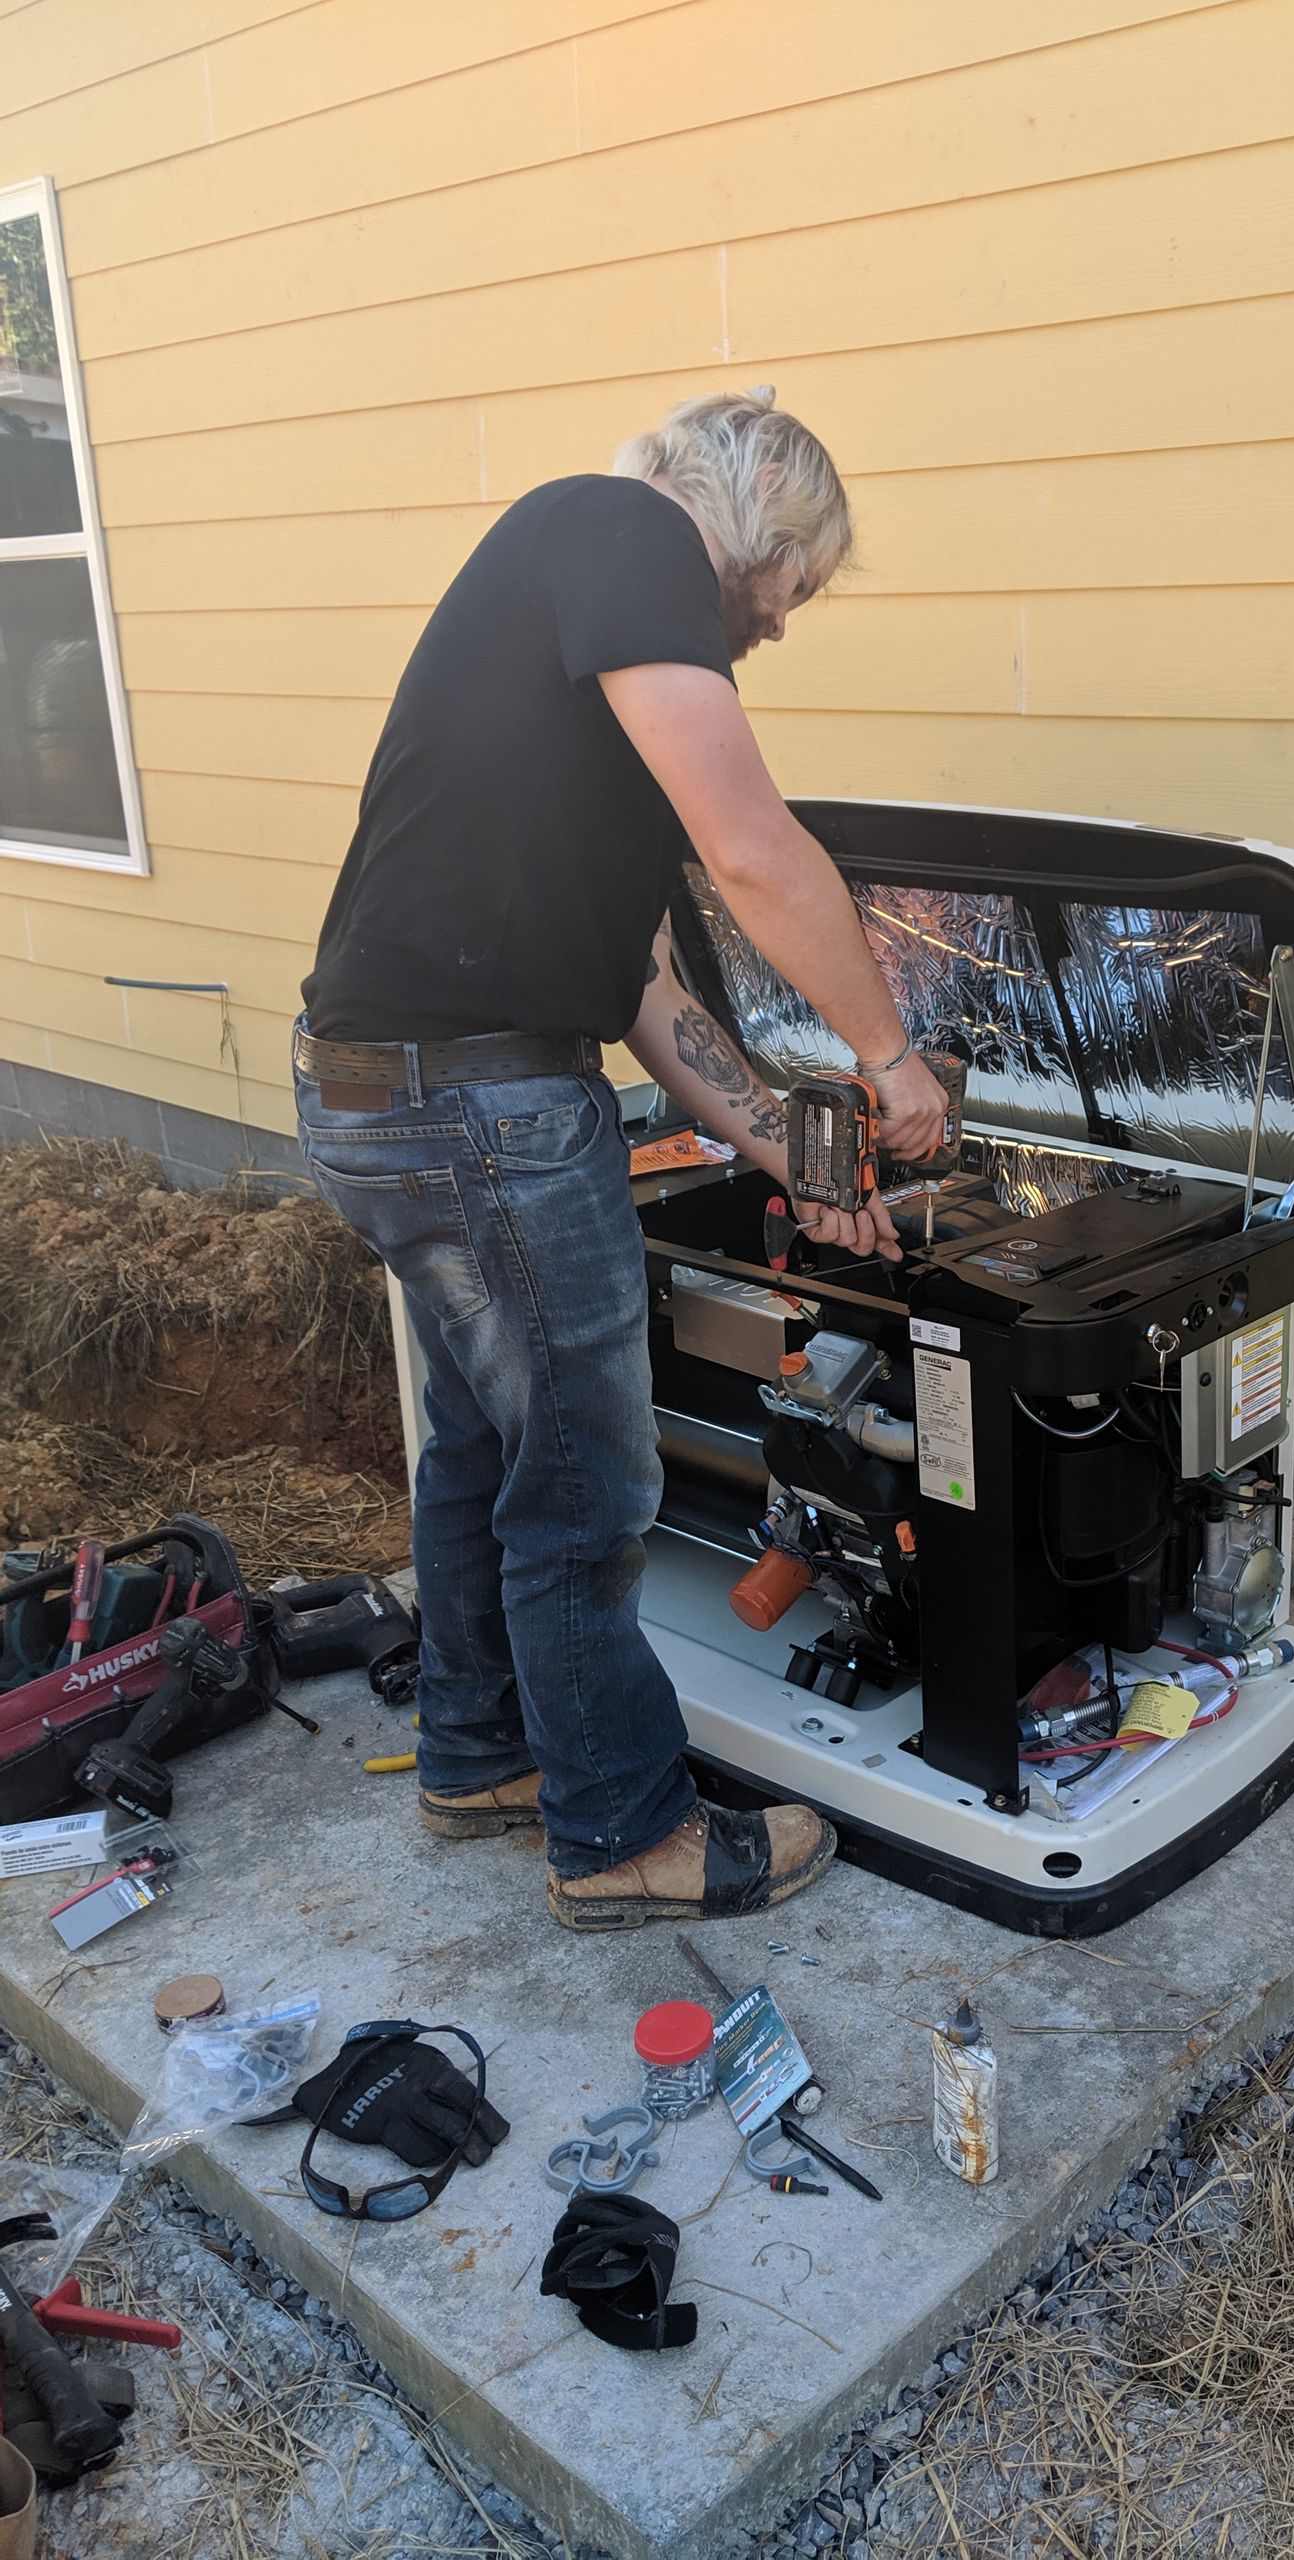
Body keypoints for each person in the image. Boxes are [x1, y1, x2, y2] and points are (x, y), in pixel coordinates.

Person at [294, 388, 947, 1931]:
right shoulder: (626, 530)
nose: (776, 633)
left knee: (484, 1448)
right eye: (793, 589)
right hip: (479, 1110)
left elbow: (644, 990)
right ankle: (625, 1833)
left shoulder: (568, 624)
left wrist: (798, 1154)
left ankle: (480, 1754)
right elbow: (754, 846)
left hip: (382, 1092)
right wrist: (892, 1061)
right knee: (588, 1483)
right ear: (755, 524)